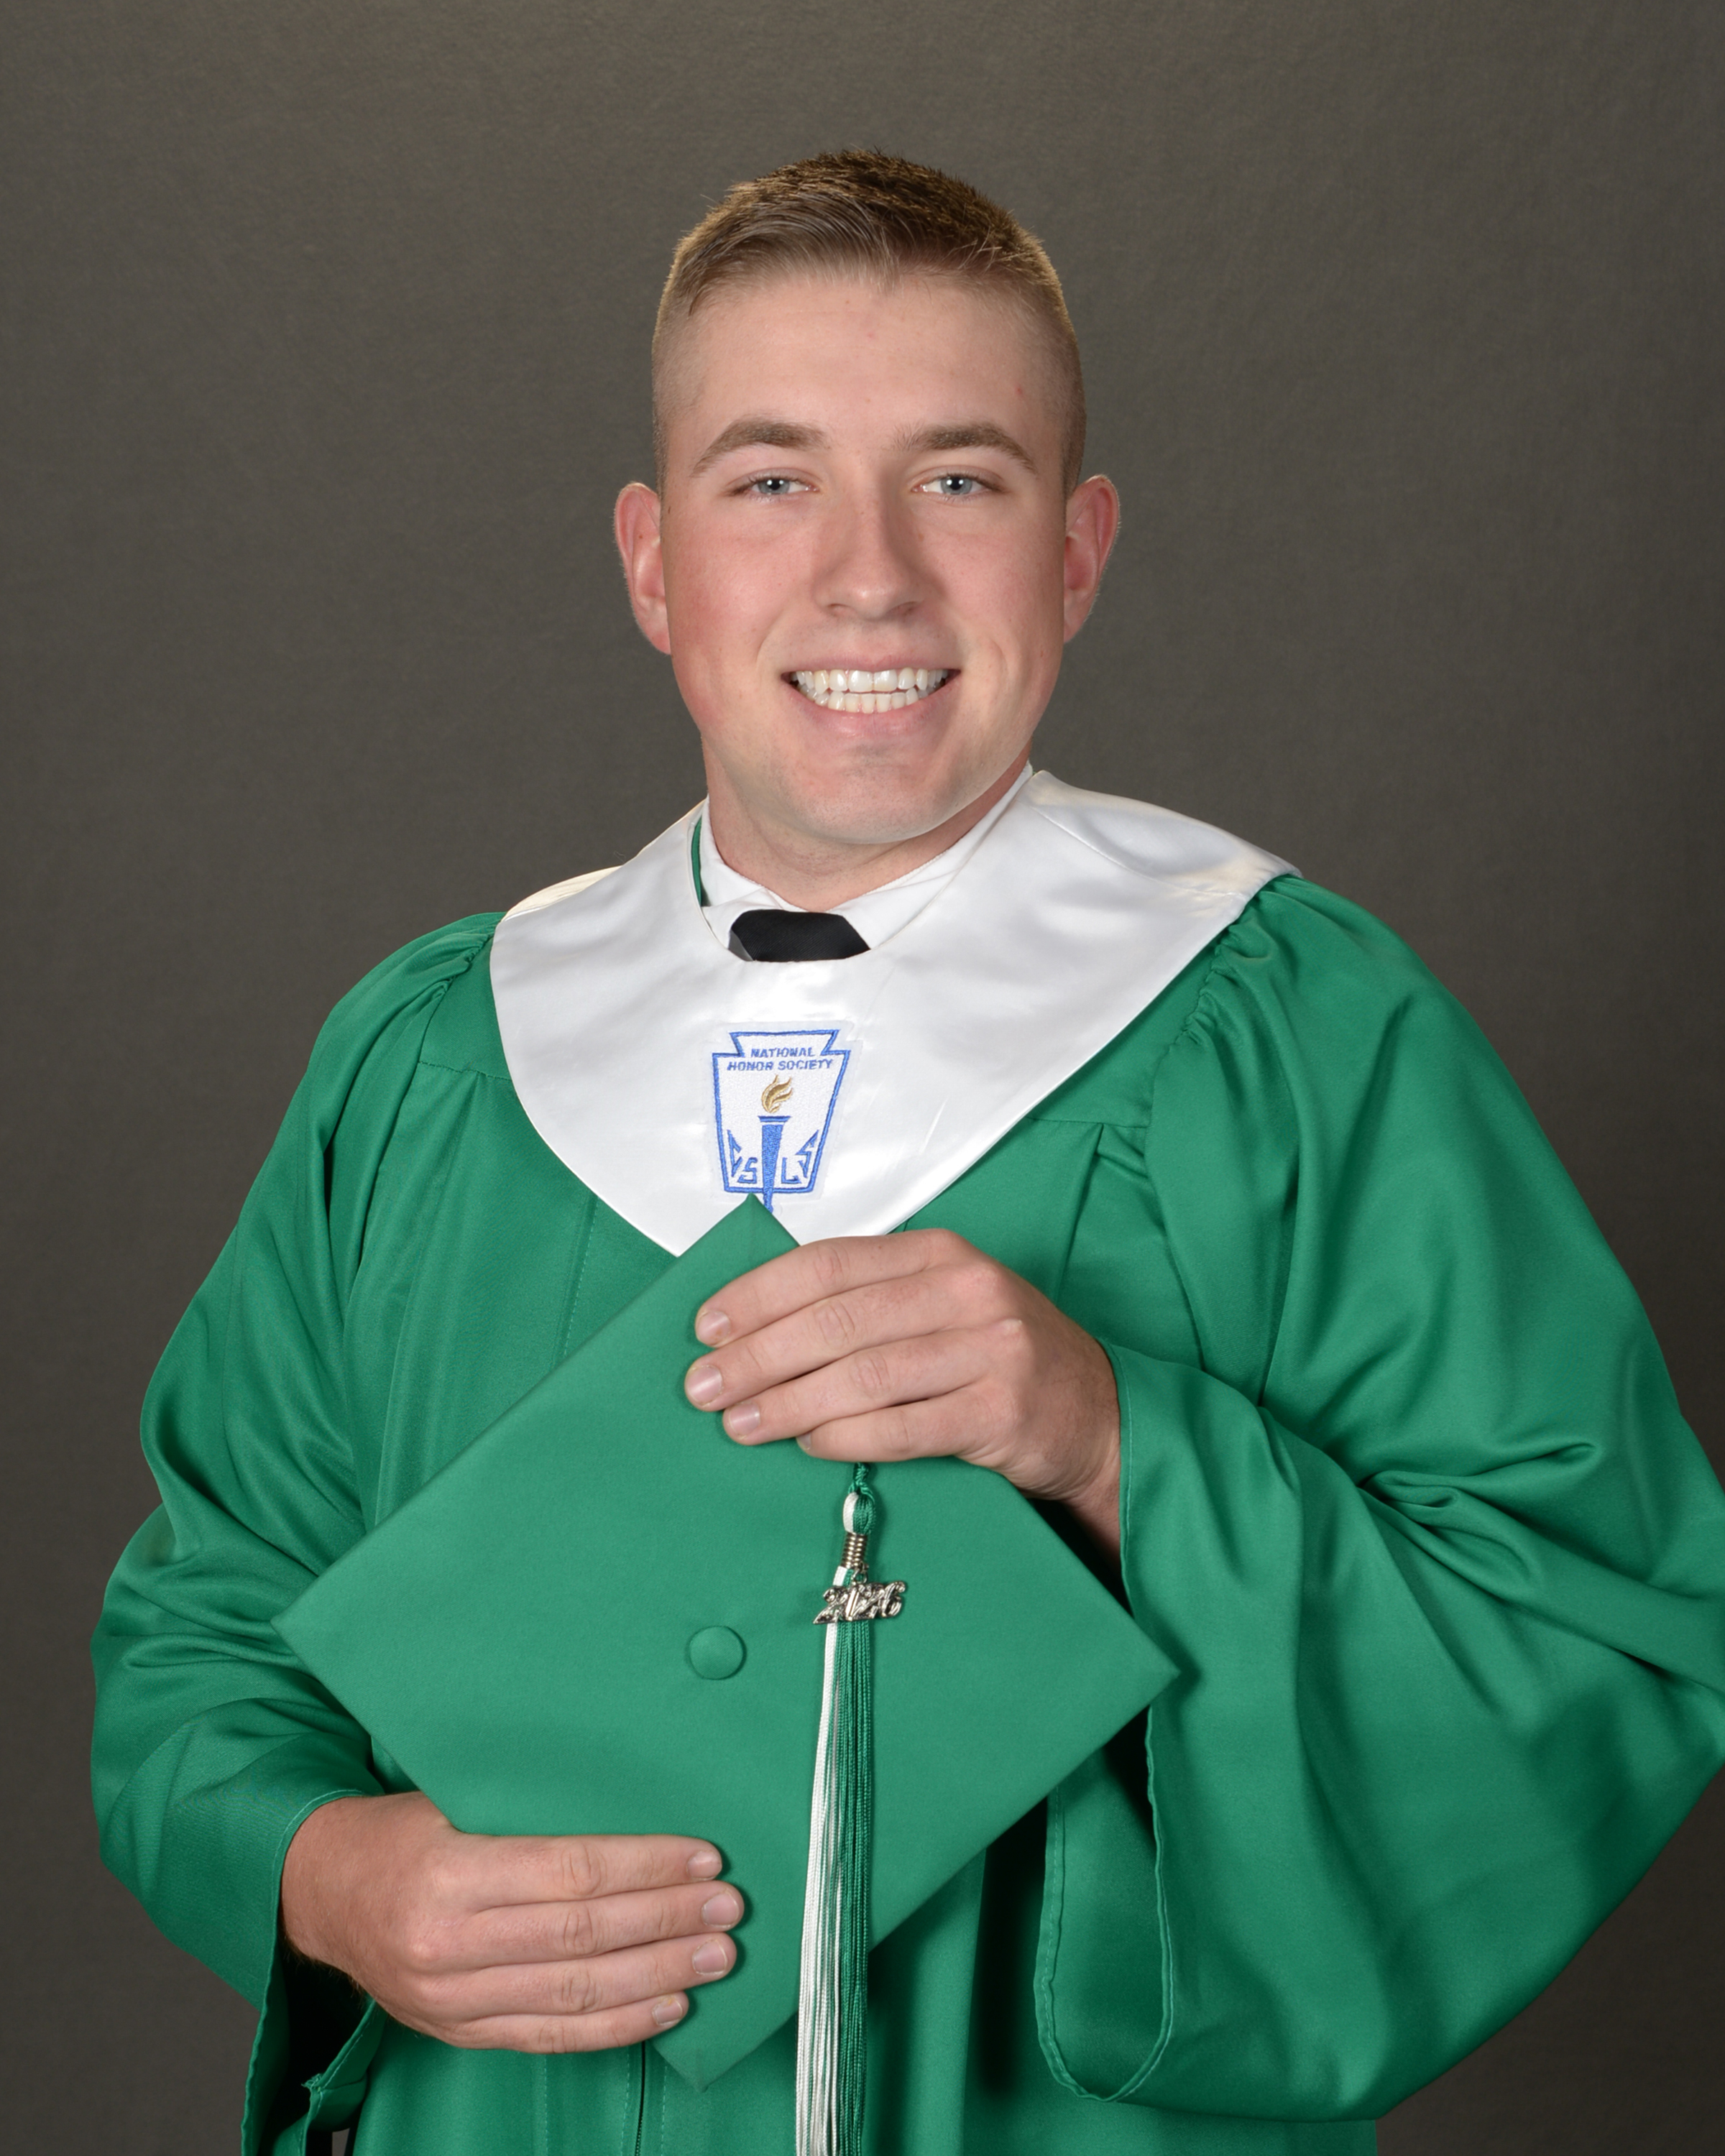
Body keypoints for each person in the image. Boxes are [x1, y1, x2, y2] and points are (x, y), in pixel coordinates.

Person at [91, 152, 1725, 2156]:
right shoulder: (432, 1058)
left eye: (960, 479)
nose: (869, 578)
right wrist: (330, 1875)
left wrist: (1116, 1440)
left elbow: (1592, 1631)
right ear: (651, 562)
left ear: (1079, 552)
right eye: (770, 480)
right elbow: (210, 1623)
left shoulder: (1294, 1032)